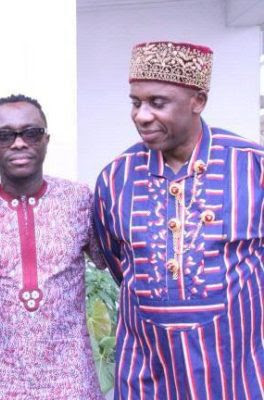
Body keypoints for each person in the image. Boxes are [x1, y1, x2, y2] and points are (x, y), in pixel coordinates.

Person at [94, 41, 264, 399]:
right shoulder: (115, 178)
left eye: (157, 102)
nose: (141, 115)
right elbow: (119, 263)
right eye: (136, 102)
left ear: (197, 101)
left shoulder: (253, 167)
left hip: (237, 378)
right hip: (146, 378)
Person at [0, 94, 105, 399]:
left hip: (72, 380)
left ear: (46, 140)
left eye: (31, 133)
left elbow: (118, 263)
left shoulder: (79, 200)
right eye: (4, 136)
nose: (18, 143)